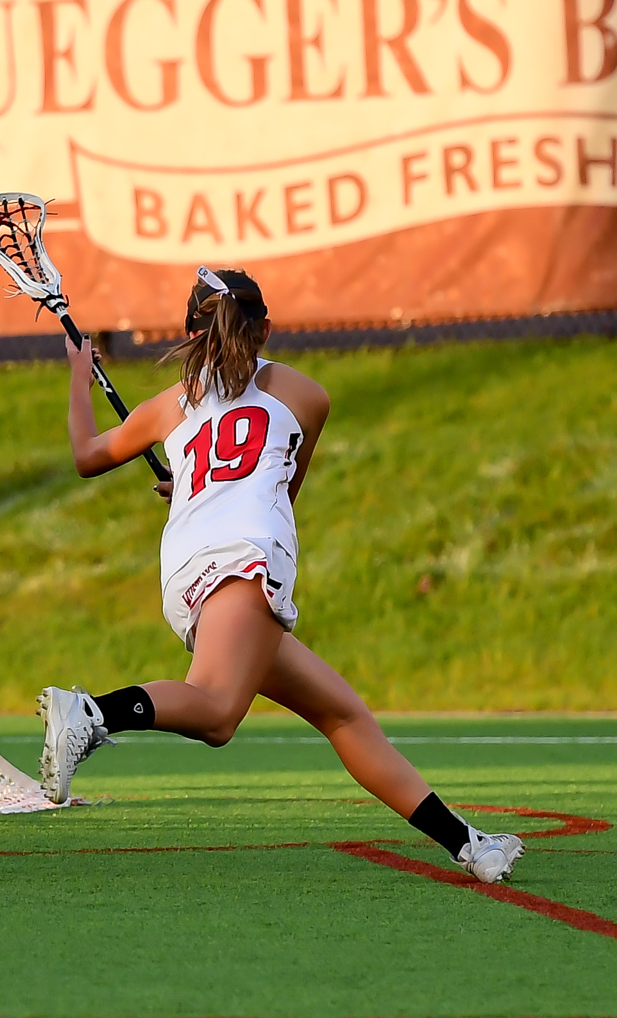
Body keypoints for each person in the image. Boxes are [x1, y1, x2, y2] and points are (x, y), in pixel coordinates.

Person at [37, 267, 525, 885]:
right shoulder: (306, 393)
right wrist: (200, 486)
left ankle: (469, 845)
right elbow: (281, 487)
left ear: (189, 332)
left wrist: (81, 378)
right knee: (217, 714)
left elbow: (88, 456)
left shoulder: (167, 407)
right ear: (266, 327)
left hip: (190, 560)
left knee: (345, 717)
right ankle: (91, 712)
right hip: (247, 558)